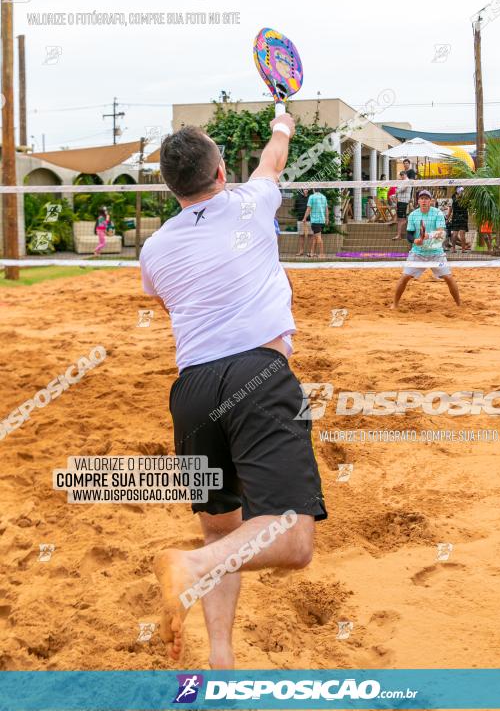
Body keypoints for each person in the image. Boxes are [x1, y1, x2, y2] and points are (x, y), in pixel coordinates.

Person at [140, 116, 327, 664]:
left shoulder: (153, 249)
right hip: (257, 376)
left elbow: (169, 303)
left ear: (171, 187)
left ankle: (221, 663)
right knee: (292, 541)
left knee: (221, 536)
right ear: (222, 170)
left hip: (192, 392)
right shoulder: (252, 200)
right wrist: (283, 124)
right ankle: (191, 568)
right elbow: (274, 156)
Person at [393, 189, 461, 308]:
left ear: (431, 201)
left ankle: (459, 304)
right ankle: (395, 304)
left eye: (426, 198)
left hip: (436, 253)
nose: (424, 201)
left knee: (448, 278)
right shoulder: (414, 215)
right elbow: (409, 234)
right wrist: (415, 240)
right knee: (404, 277)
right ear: (418, 201)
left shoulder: (437, 213)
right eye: (422, 198)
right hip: (418, 253)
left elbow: (441, 232)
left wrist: (426, 236)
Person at [303, 188, 329, 259]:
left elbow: (309, 208)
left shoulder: (312, 197)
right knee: (315, 237)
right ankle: (312, 253)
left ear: (314, 190)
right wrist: (327, 219)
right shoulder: (324, 197)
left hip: (315, 220)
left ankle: (322, 254)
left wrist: (304, 218)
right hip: (322, 220)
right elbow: (326, 209)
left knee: (318, 237)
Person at [449, 186, 470, 251]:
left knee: (460, 234)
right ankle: (456, 248)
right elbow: (451, 209)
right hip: (457, 217)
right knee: (456, 234)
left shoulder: (465, 198)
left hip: (462, 217)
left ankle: (461, 248)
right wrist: (448, 217)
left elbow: (469, 206)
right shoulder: (453, 198)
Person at [393, 170, 412, 240]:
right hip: (400, 201)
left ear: (405, 175)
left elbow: (401, 189)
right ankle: (401, 235)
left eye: (402, 175)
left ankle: (399, 235)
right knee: (401, 219)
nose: (401, 176)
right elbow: (397, 190)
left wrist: (397, 190)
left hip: (404, 202)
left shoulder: (407, 181)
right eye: (401, 175)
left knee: (402, 220)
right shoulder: (402, 182)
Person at [293, 188, 310, 256]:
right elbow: (295, 207)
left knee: (310, 236)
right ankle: (301, 251)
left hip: (309, 219)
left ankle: (309, 252)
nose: (306, 190)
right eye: (304, 189)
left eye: (307, 189)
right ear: (302, 190)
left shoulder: (310, 198)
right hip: (300, 219)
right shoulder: (298, 198)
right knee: (301, 236)